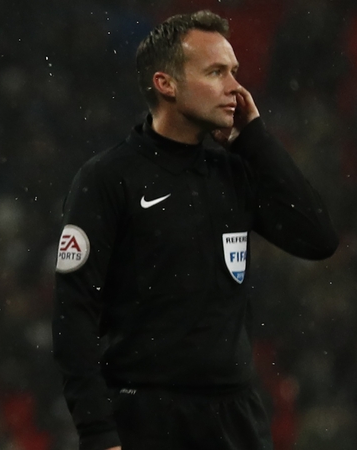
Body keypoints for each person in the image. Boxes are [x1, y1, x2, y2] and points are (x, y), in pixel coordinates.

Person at [51, 10, 338, 450]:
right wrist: (97, 431)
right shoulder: (109, 179)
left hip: (236, 417)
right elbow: (74, 314)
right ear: (166, 84)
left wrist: (255, 138)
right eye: (216, 72)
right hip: (147, 416)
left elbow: (318, 239)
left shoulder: (234, 173)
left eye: (234, 72)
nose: (235, 88)